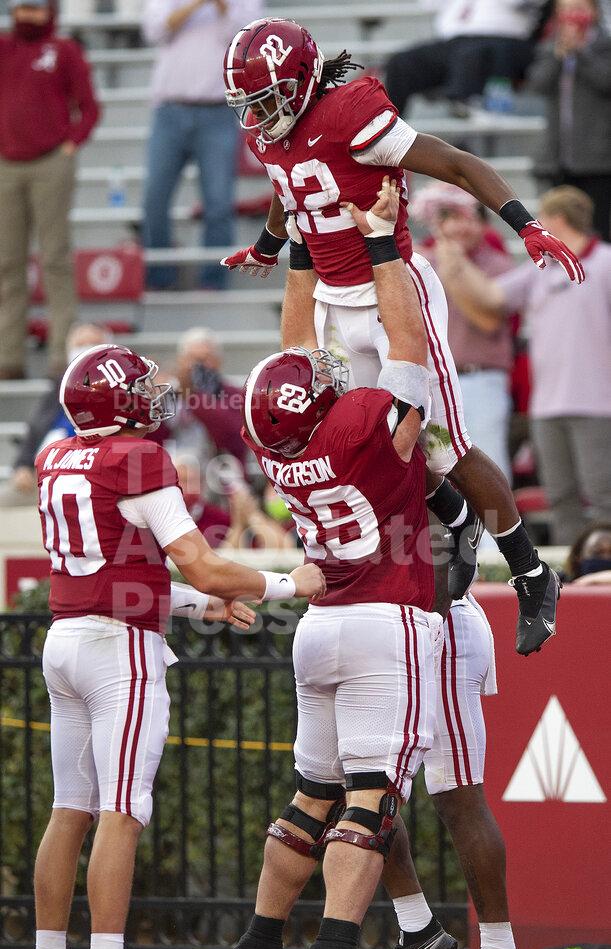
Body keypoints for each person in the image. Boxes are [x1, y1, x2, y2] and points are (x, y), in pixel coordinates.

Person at [221, 18, 583, 656]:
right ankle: (458, 521)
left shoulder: (352, 111)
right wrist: (269, 244)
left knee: (442, 445)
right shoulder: (270, 132)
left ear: (303, 83)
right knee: (366, 447)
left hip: (395, 292)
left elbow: (458, 163)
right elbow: (289, 185)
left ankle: (531, 571)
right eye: (249, 104)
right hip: (332, 302)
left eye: (267, 99)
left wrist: (525, 225)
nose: (259, 115)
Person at [21, 342, 324, 949]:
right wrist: (285, 581)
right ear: (114, 399)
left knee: (69, 810)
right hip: (117, 651)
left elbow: (114, 571)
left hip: (66, 640)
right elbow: (202, 562)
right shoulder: (139, 459)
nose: (153, 401)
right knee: (122, 811)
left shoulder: (55, 457)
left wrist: (198, 602)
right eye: (140, 389)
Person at [223, 179, 443, 949]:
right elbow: (405, 341)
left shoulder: (275, 442)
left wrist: (303, 252)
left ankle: (256, 946)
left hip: (318, 623)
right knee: (370, 797)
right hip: (385, 617)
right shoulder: (358, 425)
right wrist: (381, 242)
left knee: (311, 796)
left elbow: (290, 350)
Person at [372, 553, 529, 949]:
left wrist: (427, 627)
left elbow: (446, 548)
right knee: (363, 788)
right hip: (399, 625)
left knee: (458, 797)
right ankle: (417, 929)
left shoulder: (433, 483)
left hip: (435, 627)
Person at [439, 186, 611, 544]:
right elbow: (491, 297)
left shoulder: (606, 263)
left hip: (599, 402)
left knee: (603, 494)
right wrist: (453, 259)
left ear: (557, 221)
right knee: (560, 497)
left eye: (542, 220)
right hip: (546, 406)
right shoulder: (541, 270)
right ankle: (573, 571)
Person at [0, 0, 99, 380]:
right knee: (8, 263)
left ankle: (63, 354)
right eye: (21, 6)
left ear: (51, 10)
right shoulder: (4, 47)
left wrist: (71, 143)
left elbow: (88, 107)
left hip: (50, 163)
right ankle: (9, 356)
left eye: (35, 7)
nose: (27, 14)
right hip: (7, 164)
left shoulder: (64, 50)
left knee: (54, 257)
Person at [141, 0, 262, 290]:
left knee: (219, 202)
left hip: (217, 111)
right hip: (169, 110)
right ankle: (159, 279)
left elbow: (245, 39)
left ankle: (213, 279)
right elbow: (154, 31)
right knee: (154, 199)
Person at [410, 182, 515, 481]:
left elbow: (489, 320)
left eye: (469, 218)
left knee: (490, 465)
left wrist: (451, 260)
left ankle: (498, 529)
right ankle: (449, 530)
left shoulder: (499, 265)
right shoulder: (420, 263)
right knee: (437, 472)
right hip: (432, 379)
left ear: (484, 225)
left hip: (480, 377)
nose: (461, 227)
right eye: (451, 218)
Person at [0, 323, 113, 509]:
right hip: (40, 478)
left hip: (87, 478)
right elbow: (35, 429)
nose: (85, 350)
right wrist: (22, 466)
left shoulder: (115, 393)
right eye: (80, 344)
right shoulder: (59, 387)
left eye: (92, 344)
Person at [527, 0, 611, 241]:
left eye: (580, 8)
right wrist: (559, 55)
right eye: (566, 10)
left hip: (598, 158)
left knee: (599, 229)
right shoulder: (550, 46)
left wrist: (581, 52)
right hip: (557, 157)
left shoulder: (605, 46)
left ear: (594, 11)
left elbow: (606, 82)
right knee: (558, 230)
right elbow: (538, 85)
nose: (573, 16)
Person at [385, 0, 549, 118]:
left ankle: (463, 103)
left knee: (469, 55)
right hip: (453, 42)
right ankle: (389, 126)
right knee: (401, 62)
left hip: (504, 42)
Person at [173, 326, 246, 465]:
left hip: (221, 472)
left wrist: (193, 396)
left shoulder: (234, 394)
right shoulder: (168, 393)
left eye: (206, 359)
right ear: (180, 361)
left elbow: (234, 436)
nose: (199, 366)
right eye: (193, 359)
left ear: (218, 361)